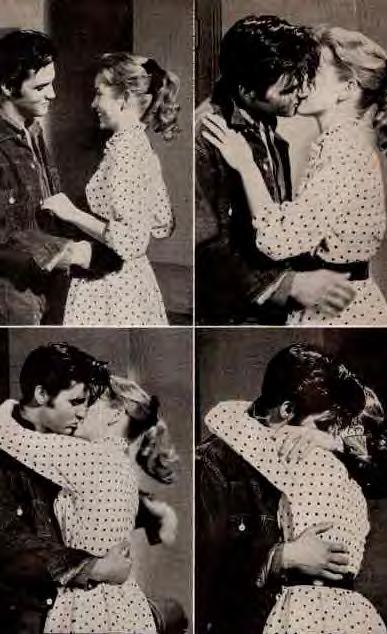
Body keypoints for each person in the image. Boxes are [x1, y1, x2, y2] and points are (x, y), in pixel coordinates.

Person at [202, 26, 387, 325]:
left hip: (338, 308)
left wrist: (246, 164)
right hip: (336, 299)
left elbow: (279, 240)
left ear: (348, 88)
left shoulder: (344, 152)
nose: (301, 80)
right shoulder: (339, 144)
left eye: (313, 71)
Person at [196, 344, 387, 634]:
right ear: (287, 410)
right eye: (324, 425)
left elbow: (384, 475)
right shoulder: (214, 462)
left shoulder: (325, 448)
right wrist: (283, 557)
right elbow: (202, 576)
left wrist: (335, 443)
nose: (328, 435)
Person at [0, 343, 186, 634]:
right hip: (92, 598)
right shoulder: (112, 460)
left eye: (88, 403)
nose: (82, 412)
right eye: (77, 401)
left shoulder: (85, 454)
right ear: (42, 394)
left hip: (88, 601)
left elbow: (12, 437)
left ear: (114, 415)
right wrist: (94, 566)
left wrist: (6, 408)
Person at [42, 53, 179, 325]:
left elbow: (130, 241)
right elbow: (162, 223)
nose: (93, 104)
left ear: (123, 98)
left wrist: (71, 213)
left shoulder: (125, 153)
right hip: (136, 281)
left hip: (111, 286)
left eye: (98, 94)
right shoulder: (139, 146)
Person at [0, 30, 122, 325]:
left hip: (49, 287)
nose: (52, 94)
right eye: (41, 87)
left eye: (52, 83)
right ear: (6, 86)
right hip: (12, 297)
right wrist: (73, 254)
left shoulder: (33, 131)